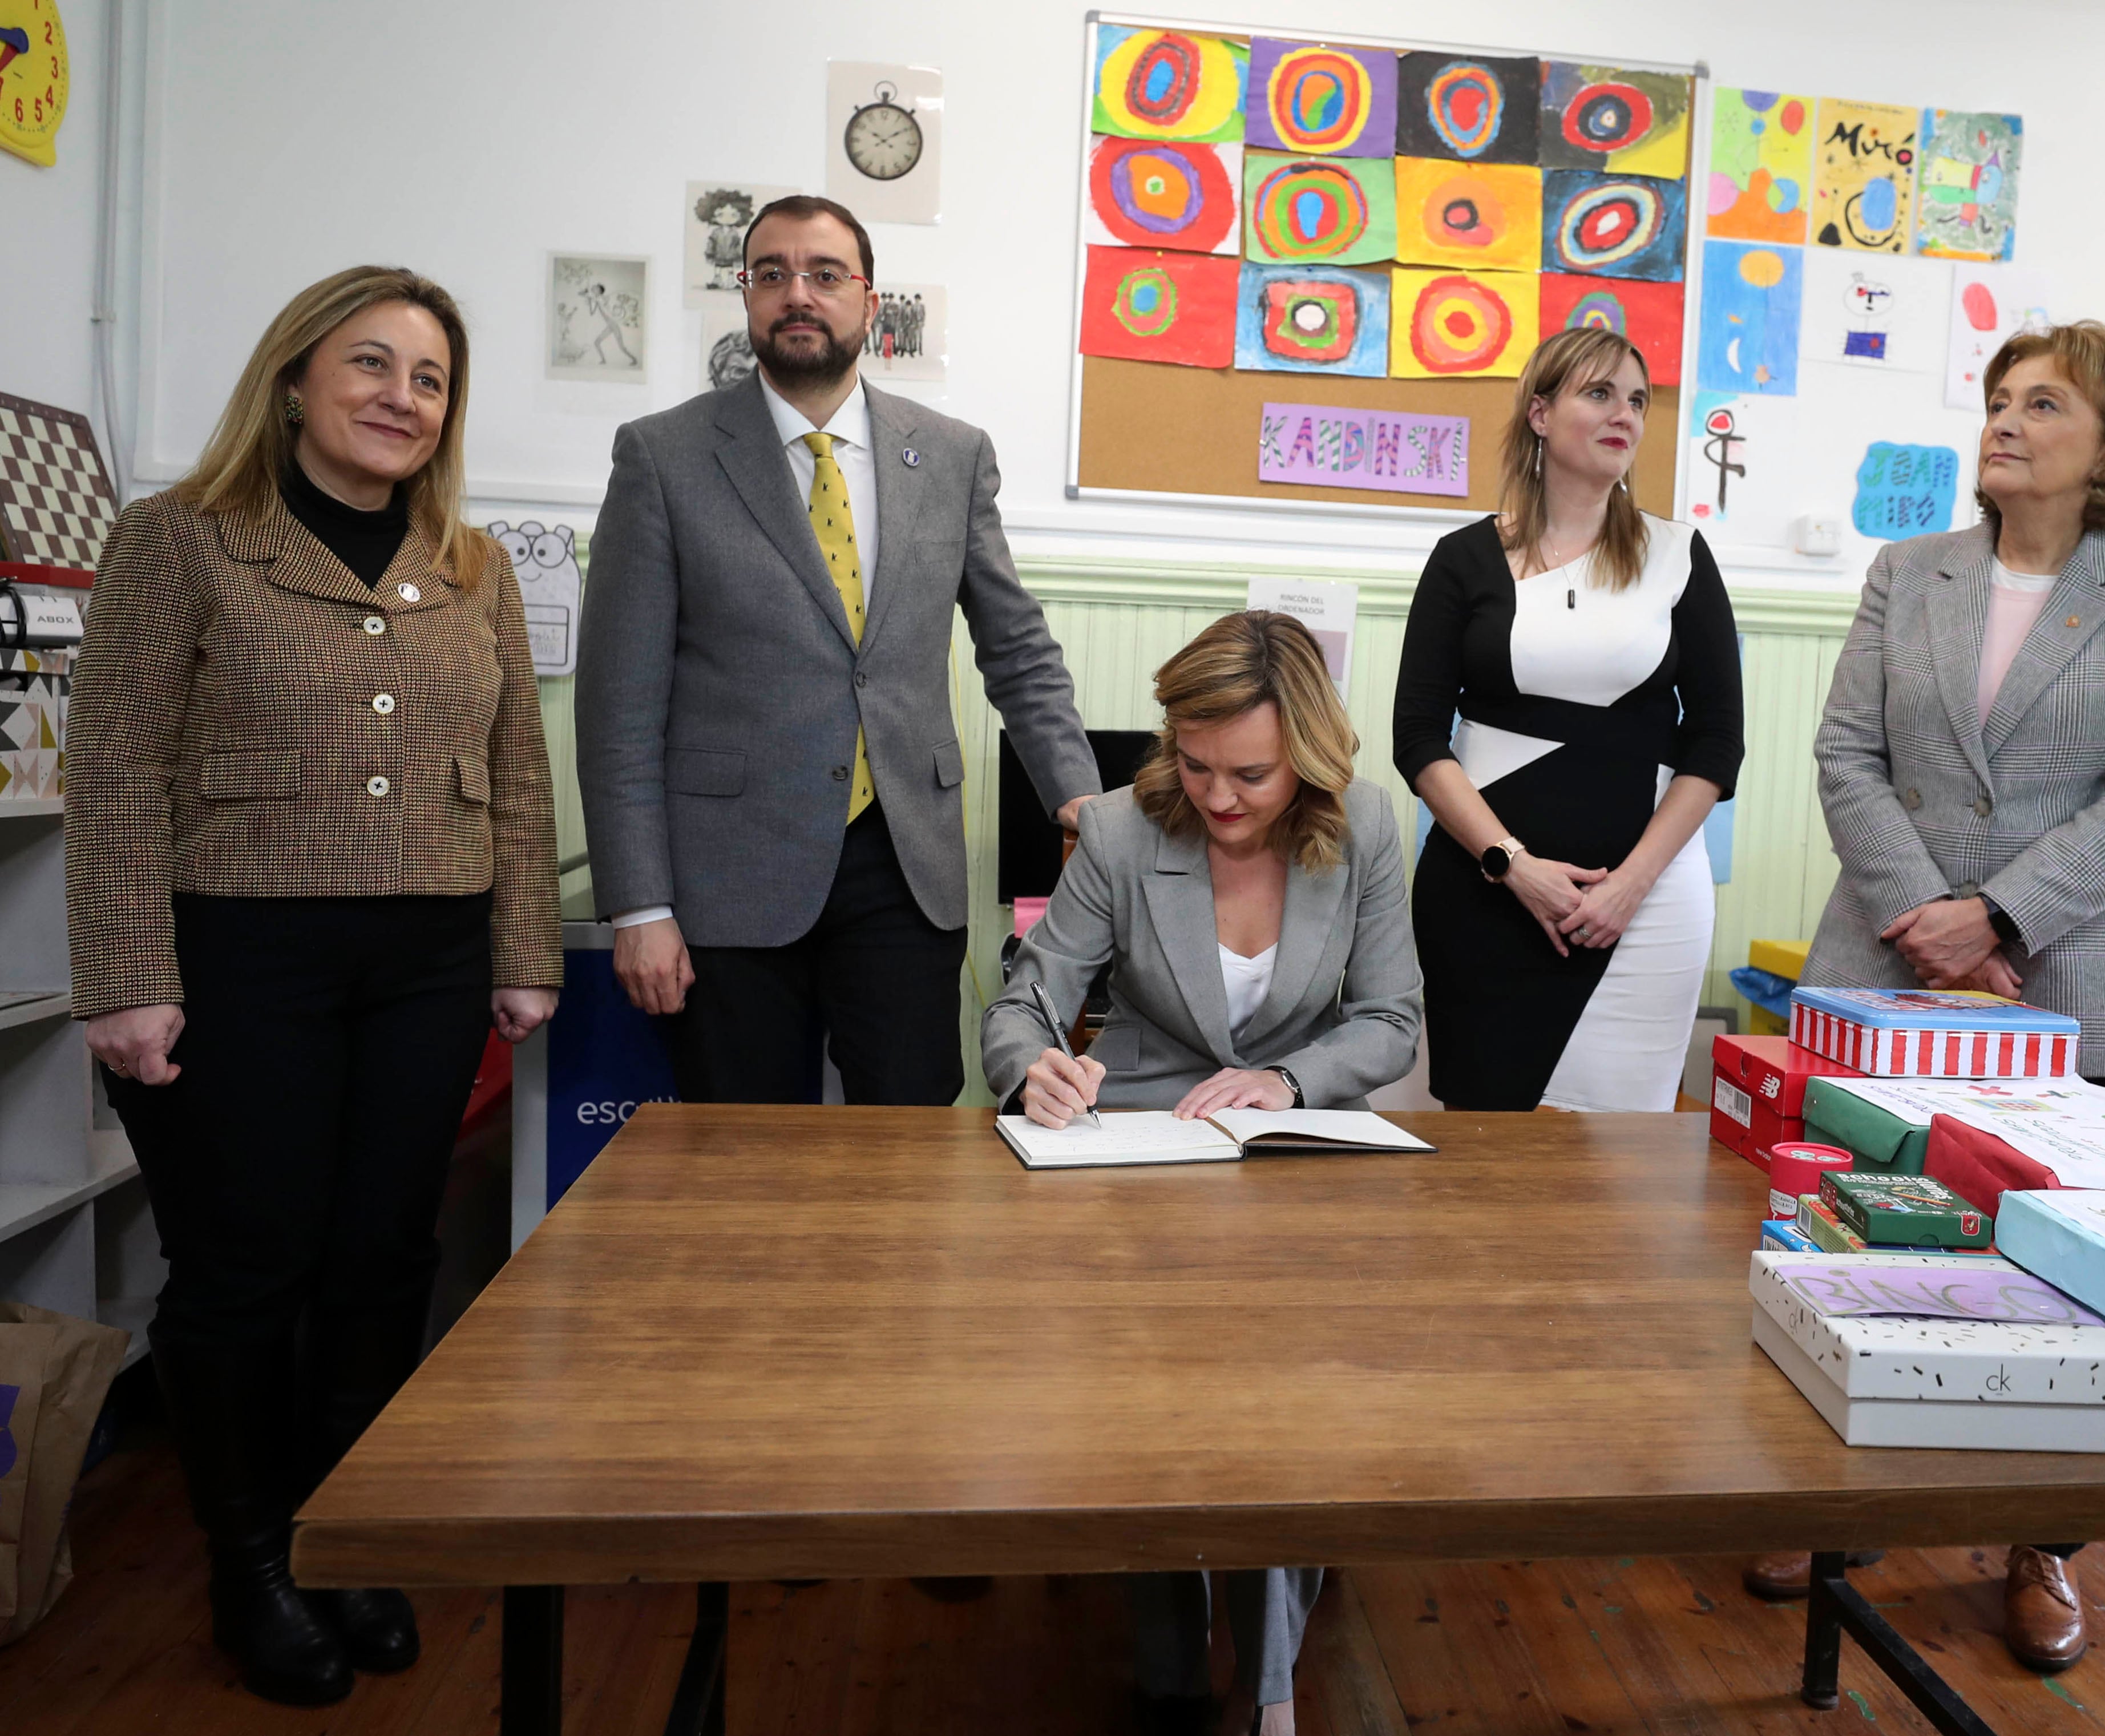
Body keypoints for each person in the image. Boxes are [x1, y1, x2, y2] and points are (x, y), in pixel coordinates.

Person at [66, 267, 560, 1705]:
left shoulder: (470, 564)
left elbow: (520, 771)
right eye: (371, 365)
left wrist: (523, 951)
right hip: (239, 955)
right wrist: (124, 979)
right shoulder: (180, 542)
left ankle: (339, 1538)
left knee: (382, 1259)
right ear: (293, 380)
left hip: (426, 959)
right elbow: (110, 771)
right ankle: (251, 1559)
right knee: (247, 1267)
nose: (401, 398)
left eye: (429, 379)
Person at [1748, 320, 2105, 1674]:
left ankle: (2041, 1543)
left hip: (2077, 975)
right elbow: (1846, 754)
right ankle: (1841, 1520)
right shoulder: (1910, 571)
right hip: (1889, 969)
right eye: (1997, 399)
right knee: (1860, 1248)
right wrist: (1933, 924)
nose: (2003, 421)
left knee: (2069, 1280)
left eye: (2042, 404)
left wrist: (2002, 916)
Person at [983, 611, 1419, 1735]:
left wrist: (1288, 1081)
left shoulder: (1366, 825)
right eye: (1194, 763)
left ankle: (1268, 1686)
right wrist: (1033, 1067)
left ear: (1309, 759)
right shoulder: (1125, 830)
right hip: (1141, 1151)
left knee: (1282, 1396)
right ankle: (1179, 1643)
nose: (1218, 798)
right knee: (1161, 1396)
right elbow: (1027, 997)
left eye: (1251, 775)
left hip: (1298, 1151)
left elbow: (1387, 1021)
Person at [577, 193, 1100, 1109]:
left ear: (869, 299)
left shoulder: (950, 454)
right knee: (742, 1162)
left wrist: (1080, 796)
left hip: (905, 864)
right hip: (728, 876)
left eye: (824, 274)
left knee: (909, 1155)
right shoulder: (664, 456)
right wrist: (639, 905)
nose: (796, 294)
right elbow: (619, 703)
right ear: (746, 297)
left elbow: (1015, 645)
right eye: (770, 274)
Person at [1392, 326, 1743, 1111]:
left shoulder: (1679, 555)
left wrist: (1631, 886)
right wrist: (1512, 866)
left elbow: (1717, 743)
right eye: (1600, 393)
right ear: (1541, 414)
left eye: (1639, 400)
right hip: (1486, 897)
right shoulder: (1464, 558)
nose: (1625, 413)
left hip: (1644, 909)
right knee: (1487, 1153)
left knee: (1623, 1164)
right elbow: (1416, 736)